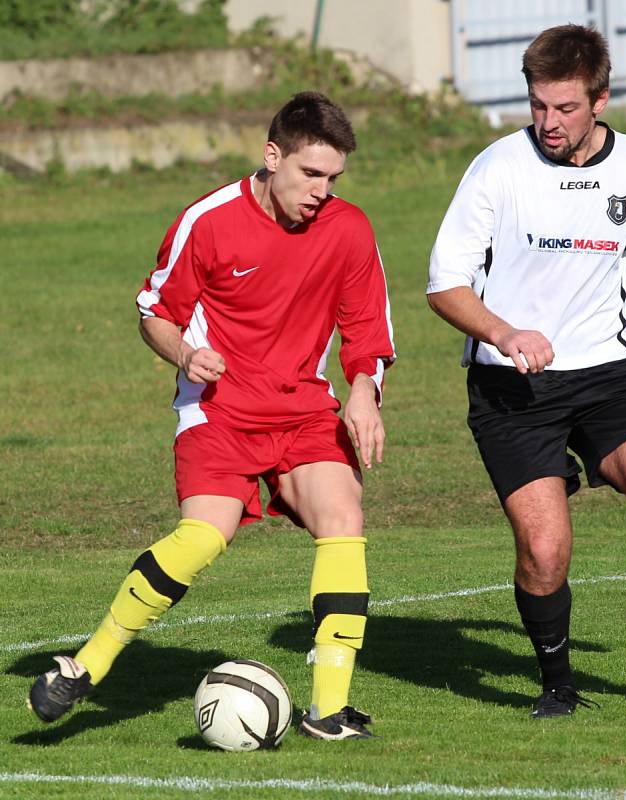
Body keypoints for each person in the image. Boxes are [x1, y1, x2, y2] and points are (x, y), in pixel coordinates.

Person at [29, 91, 396, 740]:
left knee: (343, 519)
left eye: (332, 178)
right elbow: (155, 312)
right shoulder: (209, 220)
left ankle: (328, 710)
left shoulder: (348, 228)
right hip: (219, 412)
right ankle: (86, 666)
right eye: (309, 174)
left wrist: (364, 388)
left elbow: (367, 329)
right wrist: (186, 354)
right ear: (272, 155)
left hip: (304, 410)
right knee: (203, 538)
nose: (320, 191)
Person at [426, 25, 626, 718]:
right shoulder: (497, 168)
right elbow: (443, 285)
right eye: (537, 106)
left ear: (599, 99)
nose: (547, 122)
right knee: (544, 549)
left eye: (564, 108)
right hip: (513, 388)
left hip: (606, 375)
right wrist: (504, 331)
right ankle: (557, 686)